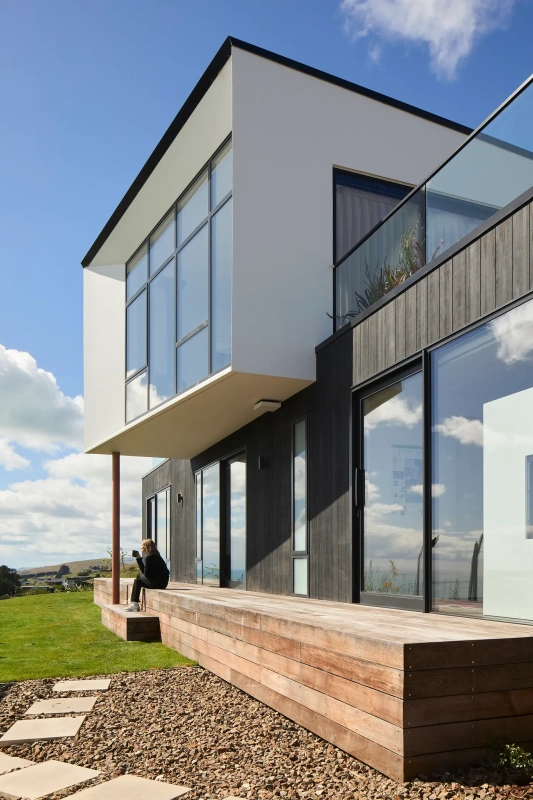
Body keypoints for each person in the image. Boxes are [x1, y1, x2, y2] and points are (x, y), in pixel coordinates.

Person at [125, 539, 169, 611]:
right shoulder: (157, 556)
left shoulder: (149, 557)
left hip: (156, 584)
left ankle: (134, 602)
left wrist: (139, 559)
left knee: (137, 580)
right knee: (139, 578)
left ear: (146, 547)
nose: (141, 547)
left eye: (142, 545)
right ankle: (134, 600)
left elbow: (146, 574)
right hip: (163, 584)